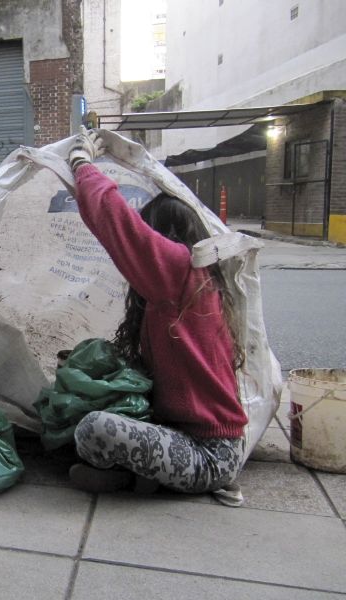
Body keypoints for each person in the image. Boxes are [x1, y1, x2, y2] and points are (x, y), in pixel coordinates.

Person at [66, 129, 248, 506]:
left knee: (92, 429)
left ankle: (132, 478)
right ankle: (138, 476)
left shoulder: (182, 271)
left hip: (210, 454)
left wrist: (82, 164)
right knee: (88, 412)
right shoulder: (193, 283)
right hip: (183, 434)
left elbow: (117, 222)